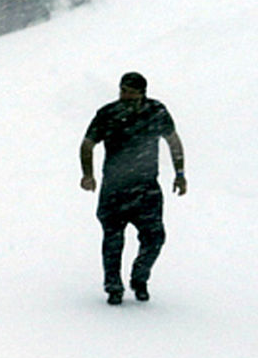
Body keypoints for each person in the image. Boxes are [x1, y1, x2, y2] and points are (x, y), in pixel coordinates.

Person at [80, 72, 186, 305]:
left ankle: (140, 278)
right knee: (113, 239)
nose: (125, 96)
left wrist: (180, 174)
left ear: (142, 93)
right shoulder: (108, 114)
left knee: (155, 238)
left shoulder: (156, 112)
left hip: (146, 189)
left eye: (131, 92)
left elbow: (173, 141)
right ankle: (113, 286)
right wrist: (88, 174)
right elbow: (87, 144)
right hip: (114, 190)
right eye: (122, 91)